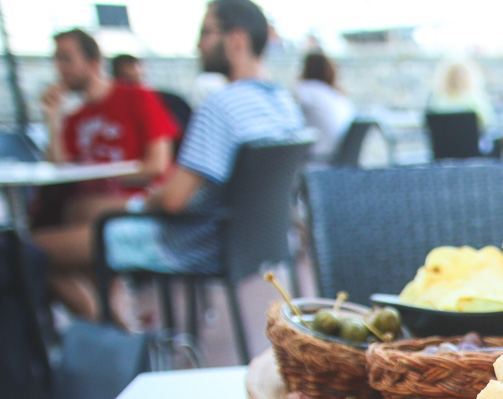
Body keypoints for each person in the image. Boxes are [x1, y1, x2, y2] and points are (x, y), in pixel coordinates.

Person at [32, 0, 306, 323]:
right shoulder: (285, 104)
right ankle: (115, 316)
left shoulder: (220, 104)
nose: (198, 44)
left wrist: (145, 202)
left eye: (206, 32)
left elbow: (174, 201)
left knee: (30, 248)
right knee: (78, 210)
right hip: (251, 241)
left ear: (236, 41)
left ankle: (114, 331)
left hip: (188, 242)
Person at [34, 29, 179, 319]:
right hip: (92, 219)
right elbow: (59, 169)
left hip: (140, 215)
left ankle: (110, 326)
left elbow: (158, 165)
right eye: (56, 60)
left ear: (94, 61)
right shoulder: (75, 118)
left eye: (67, 59)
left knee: (28, 251)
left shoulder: (138, 98)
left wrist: (110, 177)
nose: (59, 68)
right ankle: (113, 321)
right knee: (48, 239)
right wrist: (52, 118)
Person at [293, 52, 354, 160]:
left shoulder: (306, 90)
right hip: (340, 158)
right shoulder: (337, 96)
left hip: (319, 159)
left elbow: (286, 119)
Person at [427, 58, 494, 130]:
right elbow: (488, 122)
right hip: (469, 140)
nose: (457, 80)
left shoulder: (437, 100)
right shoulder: (476, 99)